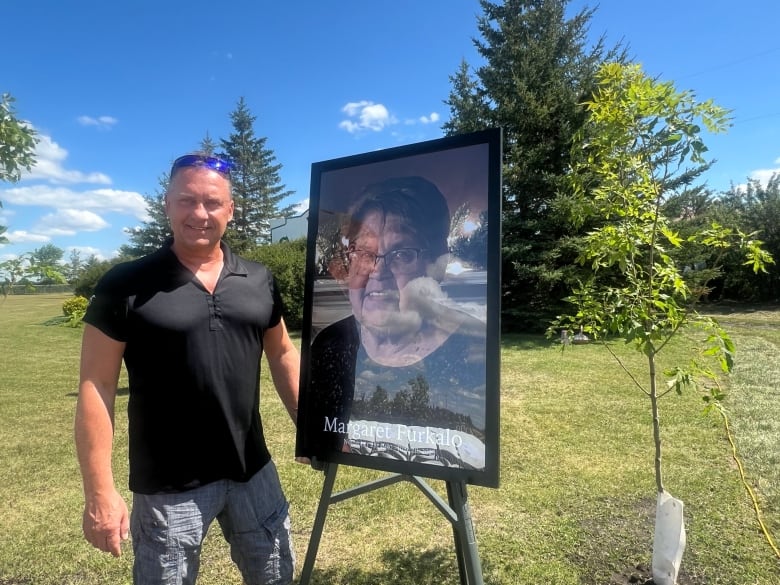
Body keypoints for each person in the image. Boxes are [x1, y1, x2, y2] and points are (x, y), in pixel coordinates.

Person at [75, 153, 300, 585]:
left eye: (212, 202)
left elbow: (283, 353)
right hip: (167, 487)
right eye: (186, 200)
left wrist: (308, 429)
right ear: (167, 204)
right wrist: (99, 492)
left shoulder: (259, 279)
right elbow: (96, 386)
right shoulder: (125, 284)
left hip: (254, 473)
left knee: (275, 577)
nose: (199, 213)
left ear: (230, 210)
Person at [300, 176, 487, 470]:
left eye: (401, 253)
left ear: (437, 264)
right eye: (363, 252)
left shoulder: (475, 350)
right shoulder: (329, 345)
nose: (377, 270)